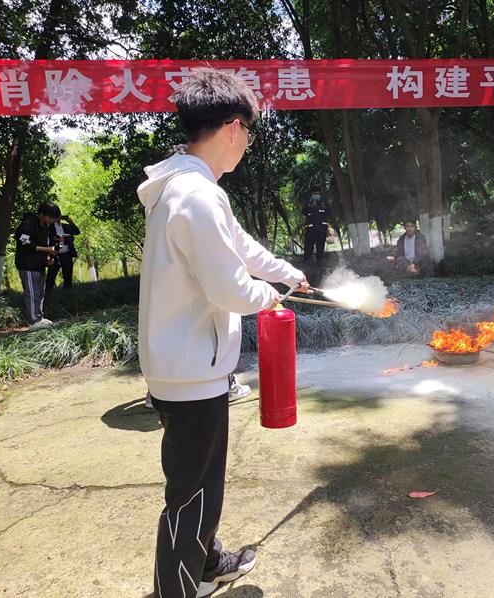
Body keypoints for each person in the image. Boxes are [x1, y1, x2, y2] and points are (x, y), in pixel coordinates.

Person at [137, 67, 310, 598]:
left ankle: (207, 561)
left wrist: (287, 273)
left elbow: (240, 246)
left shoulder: (192, 188)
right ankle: (176, 589)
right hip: (190, 371)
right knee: (191, 493)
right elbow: (231, 288)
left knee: (203, 483)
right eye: (249, 133)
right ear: (234, 127)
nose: (247, 144)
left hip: (190, 366)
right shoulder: (196, 195)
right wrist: (270, 296)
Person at [14, 202, 60, 329]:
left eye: (53, 219)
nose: (51, 221)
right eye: (50, 218)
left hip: (39, 265)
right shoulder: (28, 224)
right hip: (27, 265)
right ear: (41, 214)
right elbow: (24, 243)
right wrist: (47, 249)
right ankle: (33, 321)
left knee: (40, 293)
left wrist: (47, 259)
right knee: (32, 293)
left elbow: (41, 245)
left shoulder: (44, 226)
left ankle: (39, 318)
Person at [45, 215, 80, 294]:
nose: (58, 218)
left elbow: (77, 231)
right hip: (54, 254)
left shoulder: (65, 226)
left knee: (68, 276)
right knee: (51, 276)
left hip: (66, 254)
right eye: (56, 215)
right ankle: (48, 294)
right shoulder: (49, 227)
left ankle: (68, 294)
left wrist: (69, 221)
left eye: (59, 216)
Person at [302, 189, 331, 262]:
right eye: (315, 193)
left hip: (321, 230)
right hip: (310, 230)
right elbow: (304, 212)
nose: (317, 195)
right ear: (312, 194)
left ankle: (319, 264)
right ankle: (306, 264)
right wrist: (311, 206)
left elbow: (330, 212)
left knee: (320, 249)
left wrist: (324, 207)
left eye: (318, 193)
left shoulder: (324, 203)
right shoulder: (308, 203)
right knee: (308, 248)